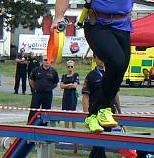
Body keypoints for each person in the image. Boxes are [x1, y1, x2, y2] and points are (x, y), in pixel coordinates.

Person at [55, 0, 132, 132]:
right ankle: (104, 108)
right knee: (117, 61)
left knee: (120, 69)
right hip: (98, 23)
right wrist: (59, 15)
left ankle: (93, 115)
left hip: (123, 25)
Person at [82, 56, 121, 158]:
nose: (102, 60)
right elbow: (85, 96)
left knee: (101, 142)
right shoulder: (91, 76)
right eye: (99, 58)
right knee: (100, 141)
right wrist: (86, 113)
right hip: (95, 113)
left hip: (108, 112)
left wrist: (119, 110)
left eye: (103, 58)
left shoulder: (110, 74)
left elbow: (115, 94)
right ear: (94, 59)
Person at [28, 57, 59, 124]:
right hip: (37, 93)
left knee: (46, 111)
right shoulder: (36, 70)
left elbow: (56, 83)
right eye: (45, 60)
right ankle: (30, 125)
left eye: (48, 60)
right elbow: (31, 80)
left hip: (48, 94)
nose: (47, 61)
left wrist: (49, 88)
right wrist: (35, 88)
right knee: (33, 110)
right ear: (42, 61)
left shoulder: (53, 71)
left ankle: (44, 127)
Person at [60, 59, 80, 128]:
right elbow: (61, 86)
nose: (70, 68)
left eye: (71, 66)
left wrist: (66, 85)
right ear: (66, 67)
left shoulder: (76, 75)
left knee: (73, 113)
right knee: (66, 113)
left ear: (73, 67)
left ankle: (74, 129)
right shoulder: (64, 76)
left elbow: (75, 85)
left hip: (72, 96)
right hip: (65, 96)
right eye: (68, 66)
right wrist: (69, 85)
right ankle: (66, 129)